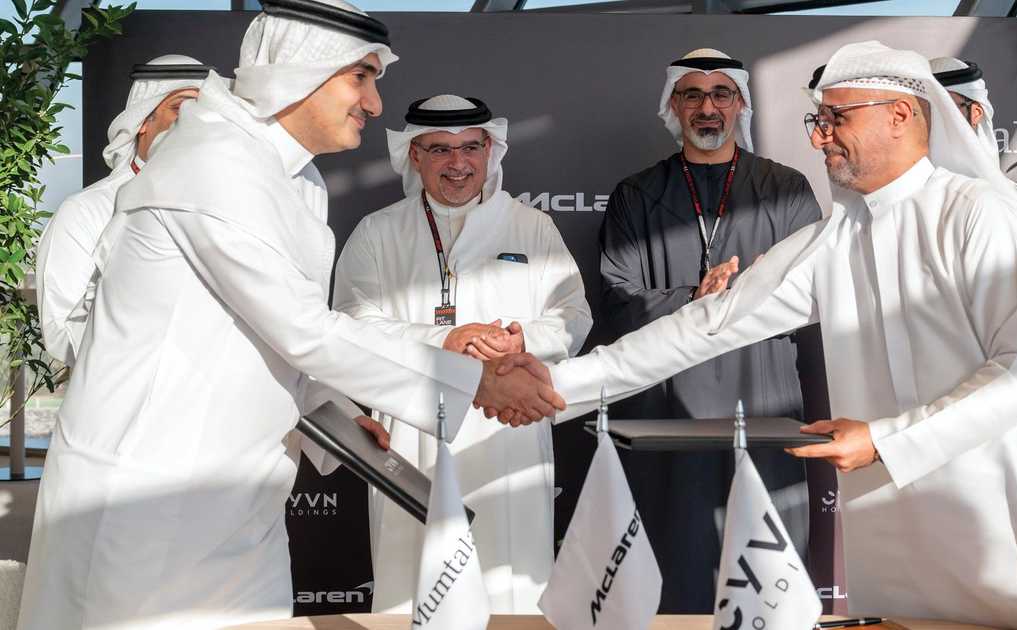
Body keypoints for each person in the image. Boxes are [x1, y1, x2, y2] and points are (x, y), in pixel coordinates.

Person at [493, 40, 1017, 629]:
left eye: (836, 118)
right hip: (899, 533)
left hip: (1009, 519)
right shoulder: (835, 239)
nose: (821, 136)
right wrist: (558, 382)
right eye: (817, 120)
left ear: (901, 116)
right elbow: (705, 326)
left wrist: (885, 440)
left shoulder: (983, 216)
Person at [15, 2, 560, 629]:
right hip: (147, 497)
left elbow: (269, 334)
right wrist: (476, 383)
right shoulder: (210, 165)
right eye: (361, 77)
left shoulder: (297, 181)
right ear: (300, 72)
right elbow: (304, 330)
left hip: (243, 503)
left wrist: (338, 413)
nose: (374, 103)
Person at [334, 93, 592, 613]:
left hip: (509, 432)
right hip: (414, 432)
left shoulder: (531, 227)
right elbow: (350, 327)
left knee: (510, 585)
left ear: (489, 151)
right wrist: (443, 341)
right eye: (440, 150)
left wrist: (521, 340)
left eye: (470, 148)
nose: (458, 163)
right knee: (413, 584)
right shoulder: (378, 232)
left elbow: (573, 315)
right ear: (415, 155)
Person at [597, 47, 823, 612]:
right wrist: (693, 298)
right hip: (667, 408)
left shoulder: (787, 189)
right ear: (673, 106)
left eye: (721, 93)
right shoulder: (637, 194)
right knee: (674, 553)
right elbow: (618, 295)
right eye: (692, 95)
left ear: (740, 104)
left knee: (766, 564)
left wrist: (738, 295)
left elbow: (813, 290)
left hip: (763, 397)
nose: (707, 107)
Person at [35, 55, 213, 365]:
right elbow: (60, 336)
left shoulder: (220, 206)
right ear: (142, 121)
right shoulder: (85, 211)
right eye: (180, 108)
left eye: (203, 110)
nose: (194, 121)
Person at [930, 56, 1017, 345]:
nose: (932, 122)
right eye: (924, 111)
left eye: (942, 108)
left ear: (975, 112)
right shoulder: (899, 207)